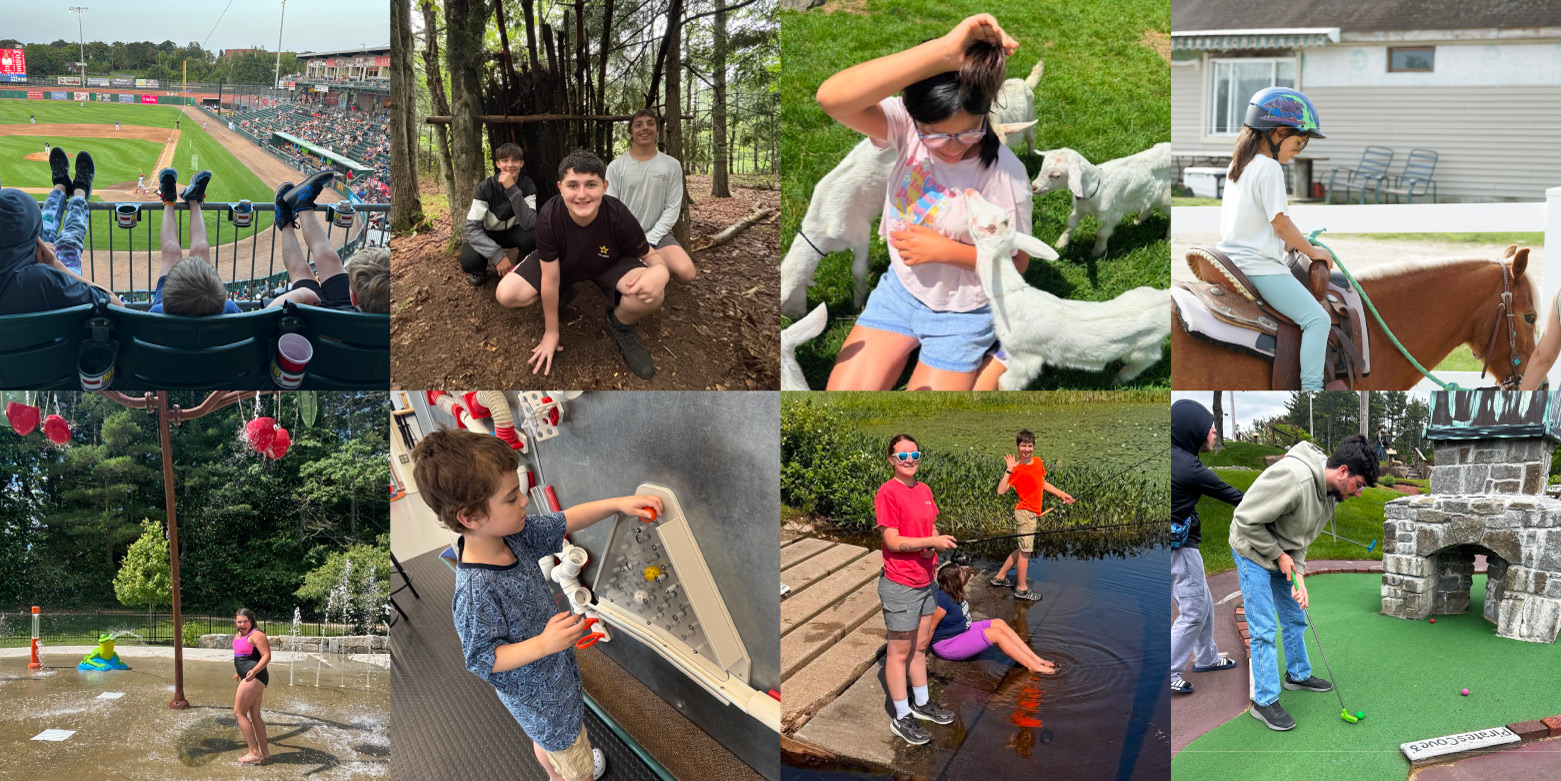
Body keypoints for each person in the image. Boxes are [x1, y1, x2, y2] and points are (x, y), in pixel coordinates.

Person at [410, 428, 663, 781]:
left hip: (551, 683)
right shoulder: (475, 590)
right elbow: (482, 659)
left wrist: (617, 504)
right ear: (470, 517)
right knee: (576, 763)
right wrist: (544, 644)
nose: (524, 501)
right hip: (541, 701)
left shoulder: (513, 534)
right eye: (512, 498)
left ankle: (555, 771)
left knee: (547, 743)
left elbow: (566, 520)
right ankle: (572, 772)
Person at [818, 14, 1033, 391]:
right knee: (843, 396)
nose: (953, 146)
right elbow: (832, 98)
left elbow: (1018, 263)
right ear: (915, 119)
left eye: (970, 131)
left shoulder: (1006, 176)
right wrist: (943, 53)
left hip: (966, 309)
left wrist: (947, 251)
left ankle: (1003, 349)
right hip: (901, 291)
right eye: (936, 135)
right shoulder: (905, 128)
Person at [1231, 433, 1377, 731]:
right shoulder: (1293, 479)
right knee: (1263, 629)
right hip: (1251, 551)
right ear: (1344, 472)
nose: (1358, 493)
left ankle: (1296, 675)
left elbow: (1302, 537)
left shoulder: (1331, 495)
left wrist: (1298, 574)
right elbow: (1245, 518)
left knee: (1296, 617)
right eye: (1359, 485)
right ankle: (1265, 700)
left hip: (1280, 553)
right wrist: (1277, 555)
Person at [496, 149, 670, 380]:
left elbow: (650, 255)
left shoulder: (618, 214)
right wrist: (551, 331)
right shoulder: (549, 217)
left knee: (653, 294)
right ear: (560, 187)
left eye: (591, 184)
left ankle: (619, 323)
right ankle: (565, 293)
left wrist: (661, 271)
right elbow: (550, 277)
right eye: (573, 185)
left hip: (608, 263)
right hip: (561, 265)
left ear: (605, 186)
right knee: (506, 293)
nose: (582, 194)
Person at [1215, 87, 1334, 390]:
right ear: (1278, 132)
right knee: (1317, 320)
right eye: (1298, 142)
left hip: (1231, 261)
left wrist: (1296, 241)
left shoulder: (1239, 165)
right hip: (1259, 268)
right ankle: (1312, 388)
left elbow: (1262, 225)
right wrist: (1313, 251)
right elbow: (1280, 224)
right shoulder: (1269, 168)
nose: (1298, 151)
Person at [875, 434, 959, 745]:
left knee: (920, 647)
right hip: (901, 584)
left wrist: (931, 545)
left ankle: (922, 704)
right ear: (891, 460)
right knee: (898, 653)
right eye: (902, 456)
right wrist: (930, 544)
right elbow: (892, 541)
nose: (909, 460)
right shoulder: (888, 493)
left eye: (914, 455)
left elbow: (931, 526)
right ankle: (901, 716)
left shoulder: (923, 490)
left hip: (927, 582)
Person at [1169, 399, 1244, 695]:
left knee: (1203, 602)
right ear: (1193, 431)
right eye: (1208, 427)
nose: (1213, 431)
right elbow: (1235, 496)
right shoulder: (1189, 467)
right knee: (1193, 612)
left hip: (1181, 546)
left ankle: (1208, 657)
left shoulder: (1173, 456)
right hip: (1180, 550)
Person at [0, 153, 122, 315]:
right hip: (56, 294)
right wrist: (56, 266)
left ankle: (60, 186)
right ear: (35, 242)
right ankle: (80, 192)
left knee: (48, 225)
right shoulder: (44, 279)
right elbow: (117, 305)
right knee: (68, 241)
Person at [266, 170, 389, 313]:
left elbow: (265, 317)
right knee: (329, 258)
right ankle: (302, 204)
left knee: (300, 270)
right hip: (361, 314)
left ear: (353, 297)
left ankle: (285, 222)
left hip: (326, 315)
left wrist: (300, 294)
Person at [605, 109, 696, 281]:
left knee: (687, 273)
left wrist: (650, 240)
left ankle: (654, 265)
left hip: (658, 235)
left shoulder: (672, 165)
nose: (644, 128)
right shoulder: (616, 166)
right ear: (631, 132)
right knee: (632, 279)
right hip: (624, 236)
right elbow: (611, 208)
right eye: (638, 125)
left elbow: (672, 207)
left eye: (650, 123)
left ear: (657, 129)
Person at [930, 560, 1056, 673]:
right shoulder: (942, 600)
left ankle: (1036, 659)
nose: (964, 575)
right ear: (954, 581)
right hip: (948, 645)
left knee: (999, 623)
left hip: (962, 631)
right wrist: (919, 652)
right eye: (961, 575)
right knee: (996, 634)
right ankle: (1032, 666)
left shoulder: (956, 592)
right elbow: (930, 628)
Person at [991, 428, 1073, 601]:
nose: (1026, 449)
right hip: (1024, 513)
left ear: (1033, 447)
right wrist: (1008, 470)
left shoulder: (1037, 462)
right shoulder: (1016, 469)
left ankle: (1000, 577)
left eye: (1029, 446)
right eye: (1023, 446)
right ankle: (1021, 590)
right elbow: (1000, 491)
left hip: (1033, 513)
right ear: (1018, 447)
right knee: (1026, 552)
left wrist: (1061, 494)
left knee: (1023, 548)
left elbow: (1041, 482)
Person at [149, 167, 240, 315]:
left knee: (171, 251)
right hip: (210, 304)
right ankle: (194, 200)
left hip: (171, 306)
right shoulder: (229, 309)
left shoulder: (159, 312)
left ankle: (169, 199)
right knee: (201, 249)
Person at [461, 142, 537, 287]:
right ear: (497, 164)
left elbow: (530, 223)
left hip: (514, 231)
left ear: (521, 163)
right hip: (489, 232)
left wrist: (512, 189)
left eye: (515, 160)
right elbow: (471, 229)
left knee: (535, 233)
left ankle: (521, 267)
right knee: (469, 261)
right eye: (505, 161)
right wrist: (498, 256)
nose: (510, 165)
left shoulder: (527, 185)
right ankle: (480, 271)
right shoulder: (485, 187)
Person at [232, 608, 271, 765]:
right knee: (255, 715)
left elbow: (267, 656)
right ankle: (265, 752)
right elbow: (240, 655)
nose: (242, 624)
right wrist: (238, 672)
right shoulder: (239, 634)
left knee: (239, 712)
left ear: (251, 621)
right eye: (239, 622)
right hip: (248, 675)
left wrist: (253, 671)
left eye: (245, 622)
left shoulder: (257, 635)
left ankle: (254, 752)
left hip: (255, 676)